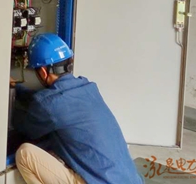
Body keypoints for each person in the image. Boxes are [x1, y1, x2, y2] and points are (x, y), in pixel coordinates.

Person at [10, 33, 142, 184]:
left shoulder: (49, 105)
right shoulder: (88, 88)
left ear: (43, 72)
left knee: (25, 154)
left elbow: (25, 127)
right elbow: (49, 103)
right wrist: (17, 89)